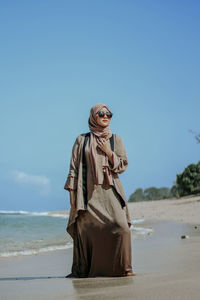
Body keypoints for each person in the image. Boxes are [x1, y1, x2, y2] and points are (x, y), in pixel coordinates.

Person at [64, 103, 135, 277]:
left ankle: (124, 269)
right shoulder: (82, 140)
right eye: (101, 113)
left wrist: (109, 152)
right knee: (86, 231)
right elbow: (73, 169)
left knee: (121, 228)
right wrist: (72, 197)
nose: (106, 116)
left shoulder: (115, 139)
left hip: (110, 191)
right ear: (93, 116)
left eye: (109, 114)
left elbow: (122, 165)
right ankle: (88, 270)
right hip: (87, 193)